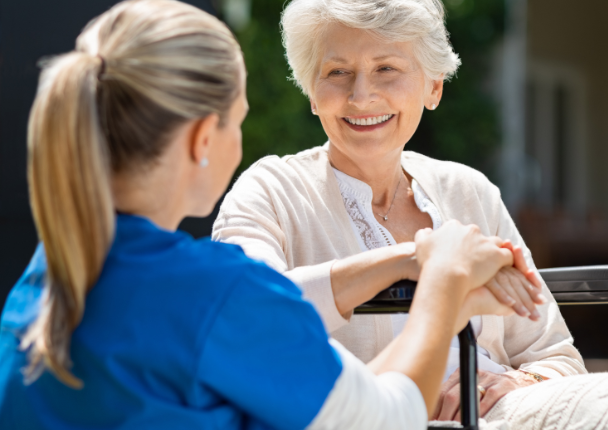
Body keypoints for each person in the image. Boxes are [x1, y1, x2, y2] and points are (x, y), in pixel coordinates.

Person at [0, 1, 519, 428]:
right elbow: (386, 419)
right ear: (205, 138)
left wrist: (403, 260)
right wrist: (444, 282)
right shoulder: (216, 294)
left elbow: (342, 410)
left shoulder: (46, 277)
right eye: (240, 121)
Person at [212, 0, 586, 420]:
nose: (360, 95)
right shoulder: (269, 192)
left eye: (386, 68)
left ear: (434, 87)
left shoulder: (470, 191)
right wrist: (415, 260)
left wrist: (517, 383)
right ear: (312, 92)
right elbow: (245, 316)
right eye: (337, 72)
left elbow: (556, 356)